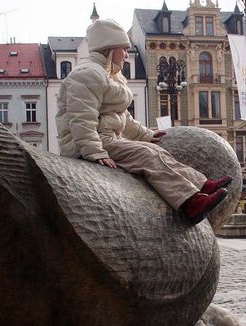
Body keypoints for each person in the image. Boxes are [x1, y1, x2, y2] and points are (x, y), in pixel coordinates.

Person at [56, 19, 231, 225]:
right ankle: (190, 204)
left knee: (156, 151)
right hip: (87, 145)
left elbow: (123, 116)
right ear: (109, 49)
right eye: (123, 49)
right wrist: (94, 151)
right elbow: (81, 118)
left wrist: (144, 135)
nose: (125, 54)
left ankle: (201, 185)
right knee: (146, 155)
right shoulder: (87, 75)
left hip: (108, 138)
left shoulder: (108, 75)